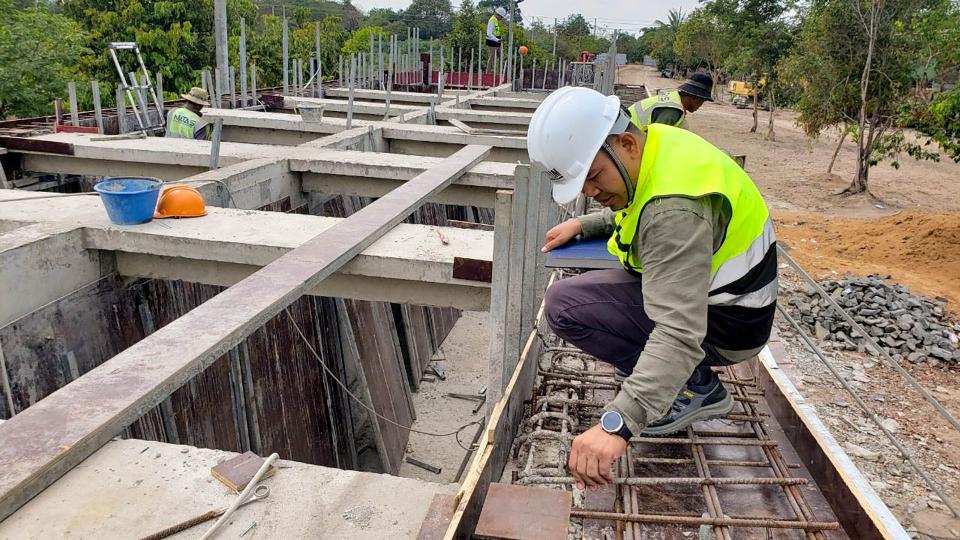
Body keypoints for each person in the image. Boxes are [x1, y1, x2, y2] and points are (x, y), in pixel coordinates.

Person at [528, 87, 777, 489]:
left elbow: (679, 331)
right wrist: (586, 224)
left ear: (625, 144)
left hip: (727, 326)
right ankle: (671, 379)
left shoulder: (674, 213)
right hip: (729, 306)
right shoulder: (657, 145)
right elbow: (642, 206)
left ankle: (693, 387)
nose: (590, 193)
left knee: (565, 306)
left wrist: (618, 423)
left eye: (593, 177)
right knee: (575, 298)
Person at [628, 72, 714, 129]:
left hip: (629, 128)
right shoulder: (672, 111)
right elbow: (658, 139)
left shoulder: (673, 99)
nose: (700, 105)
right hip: (627, 135)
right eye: (702, 101)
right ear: (696, 98)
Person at [485, 7, 507, 74]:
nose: (501, 18)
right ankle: (488, 74)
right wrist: (497, 40)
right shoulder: (492, 20)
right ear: (498, 15)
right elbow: (489, 34)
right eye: (501, 17)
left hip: (497, 41)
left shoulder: (496, 20)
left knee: (501, 57)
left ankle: (499, 73)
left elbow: (496, 32)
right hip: (491, 41)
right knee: (492, 58)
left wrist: (498, 39)